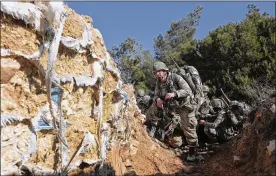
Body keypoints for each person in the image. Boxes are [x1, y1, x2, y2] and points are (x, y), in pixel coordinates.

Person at [146, 61, 199, 161]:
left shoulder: (175, 77)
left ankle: (193, 152)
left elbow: (188, 91)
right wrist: (158, 99)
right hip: (171, 107)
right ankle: (144, 122)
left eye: (158, 71)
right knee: (154, 105)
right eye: (155, 72)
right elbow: (156, 94)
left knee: (189, 127)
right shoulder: (158, 82)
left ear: (164, 71)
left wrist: (175, 94)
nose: (157, 74)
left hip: (185, 106)